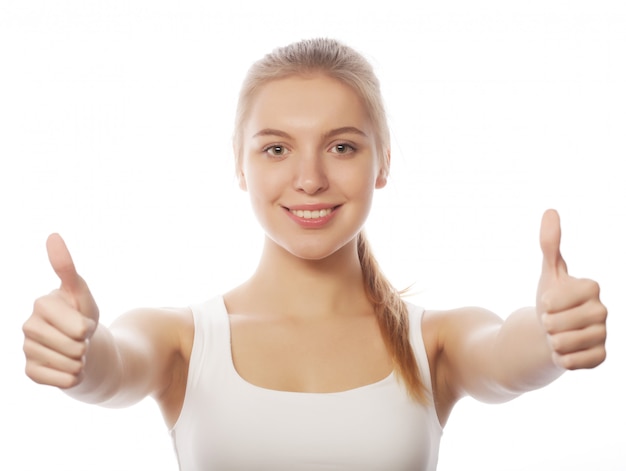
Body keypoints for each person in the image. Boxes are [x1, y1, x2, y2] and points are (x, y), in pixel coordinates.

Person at [22, 38, 607, 470]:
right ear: (239, 165)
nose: (309, 179)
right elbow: (114, 366)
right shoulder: (182, 338)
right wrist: (78, 352)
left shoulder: (435, 341)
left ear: (382, 164)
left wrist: (553, 337)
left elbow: (505, 352)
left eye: (342, 147)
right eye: (276, 148)